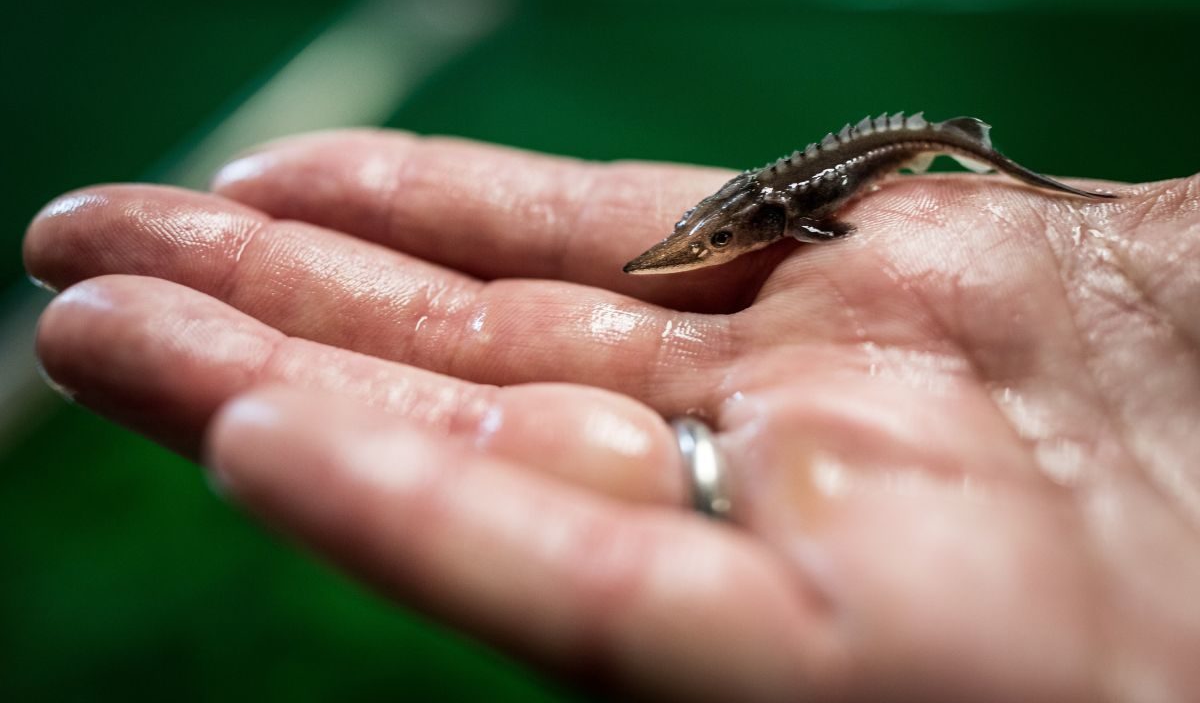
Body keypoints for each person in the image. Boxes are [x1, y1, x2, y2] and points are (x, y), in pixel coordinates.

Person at [23, 129, 1200, 702]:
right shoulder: (751, 206)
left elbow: (807, 211)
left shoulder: (800, 203)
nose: (690, 257)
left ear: (760, 223)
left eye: (713, 241)